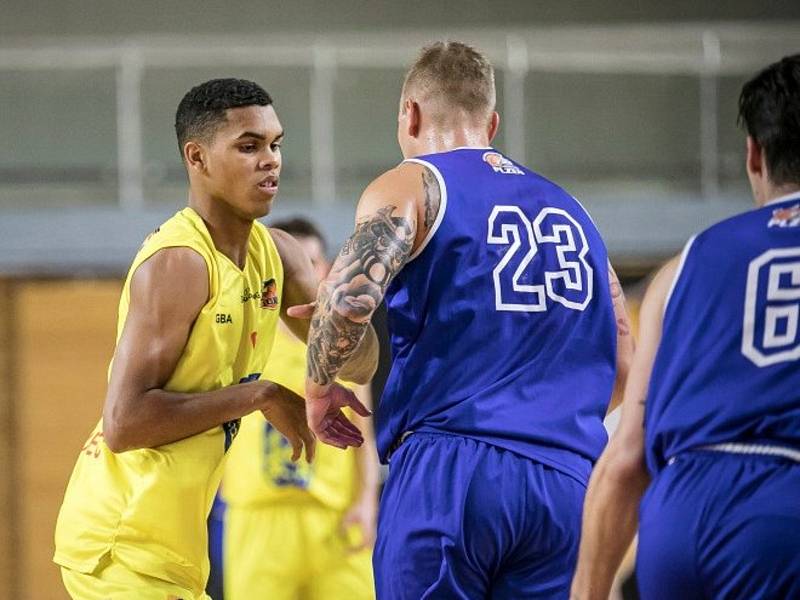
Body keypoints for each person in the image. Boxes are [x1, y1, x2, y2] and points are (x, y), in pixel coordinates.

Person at [293, 42, 633, 598]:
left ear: (410, 114)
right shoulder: (574, 211)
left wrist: (318, 388)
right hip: (568, 482)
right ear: (492, 123)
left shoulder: (412, 183)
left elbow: (347, 302)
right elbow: (624, 363)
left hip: (451, 468)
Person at [53, 78, 377, 599]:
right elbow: (124, 423)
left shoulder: (282, 254)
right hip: (120, 543)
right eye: (248, 146)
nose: (270, 160)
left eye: (275, 144)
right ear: (197, 157)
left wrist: (345, 324)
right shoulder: (178, 264)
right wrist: (263, 394)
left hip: (174, 549)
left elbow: (358, 368)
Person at [570, 54, 800, 600]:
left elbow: (627, 457)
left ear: (754, 154)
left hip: (679, 521)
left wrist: (586, 592)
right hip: (783, 514)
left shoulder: (681, 268)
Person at [221, 217, 379, 600]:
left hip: (333, 519)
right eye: (292, 265)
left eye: (312, 264)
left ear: (325, 270)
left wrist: (367, 503)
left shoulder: (346, 348)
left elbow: (366, 437)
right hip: (258, 516)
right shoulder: (240, 338)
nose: (301, 274)